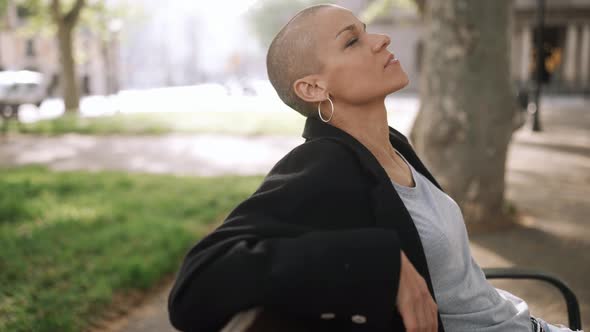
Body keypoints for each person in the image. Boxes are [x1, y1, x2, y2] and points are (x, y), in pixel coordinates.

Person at [167, 4, 583, 332]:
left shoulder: (393, 144)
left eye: (369, 32)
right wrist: (379, 263)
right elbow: (196, 285)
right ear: (313, 87)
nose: (382, 40)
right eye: (352, 42)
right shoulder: (323, 163)